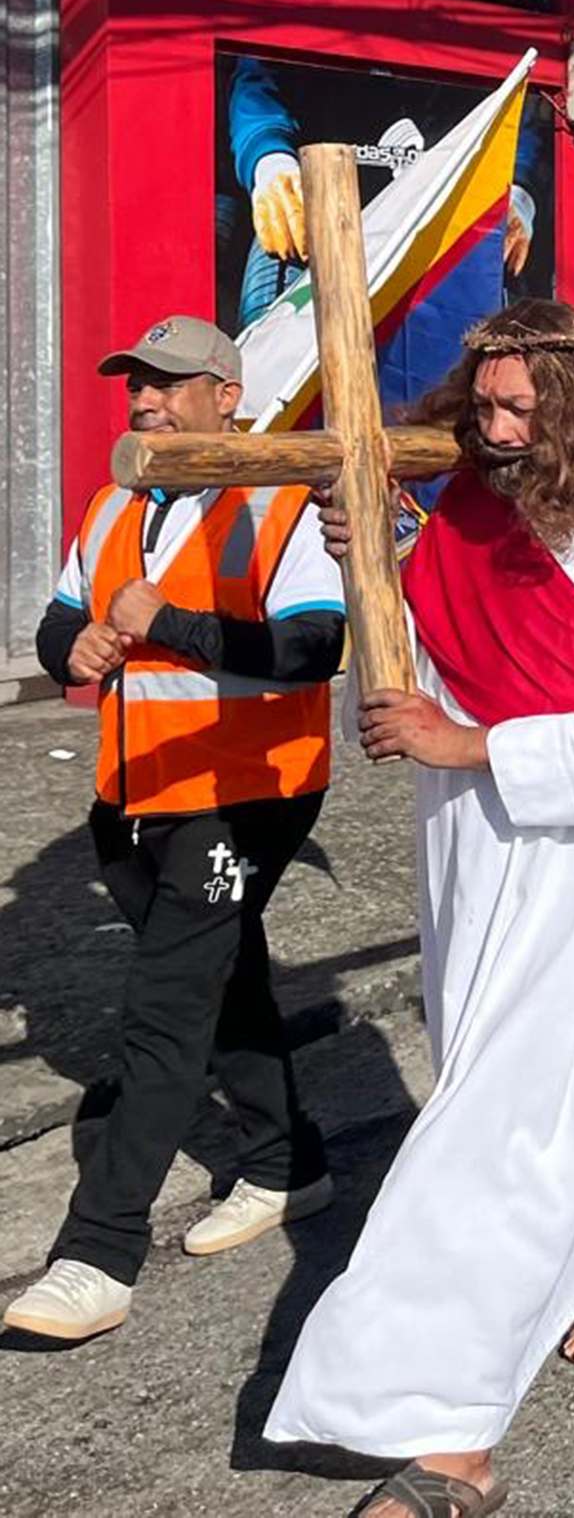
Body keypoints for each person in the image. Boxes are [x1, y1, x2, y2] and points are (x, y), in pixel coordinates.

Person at [262, 300, 574, 1518]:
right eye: (487, 407)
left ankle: (446, 1431)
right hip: (468, 835)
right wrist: (370, 549)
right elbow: (430, 644)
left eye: (525, 410)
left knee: (504, 1113)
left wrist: (466, 744)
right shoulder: (467, 500)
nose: (500, 428)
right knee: (537, 1069)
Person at [4, 317, 343, 1342]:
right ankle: (290, 1165)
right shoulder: (117, 501)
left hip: (247, 787)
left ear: (226, 396)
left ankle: (96, 1252)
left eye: (168, 385)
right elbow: (57, 619)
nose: (145, 402)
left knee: (163, 1003)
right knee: (220, 970)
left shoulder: (278, 500)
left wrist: (170, 626)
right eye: (136, 387)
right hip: (134, 788)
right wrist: (89, 638)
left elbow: (312, 647)